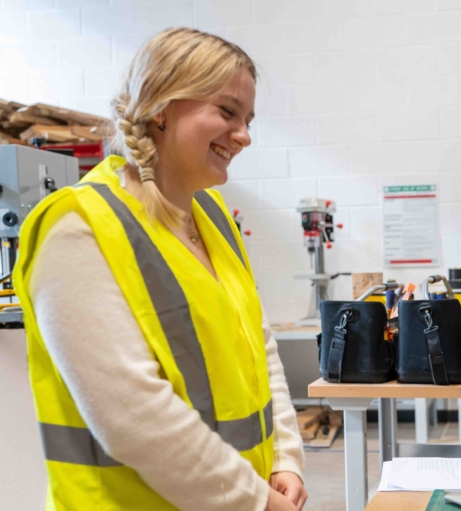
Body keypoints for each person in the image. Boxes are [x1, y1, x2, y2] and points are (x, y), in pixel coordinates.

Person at [14, 28, 308, 510]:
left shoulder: (212, 217)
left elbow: (261, 348)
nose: (244, 135)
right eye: (227, 111)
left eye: (249, 119)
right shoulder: (78, 227)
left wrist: (286, 460)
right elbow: (133, 418)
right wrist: (254, 501)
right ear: (160, 108)